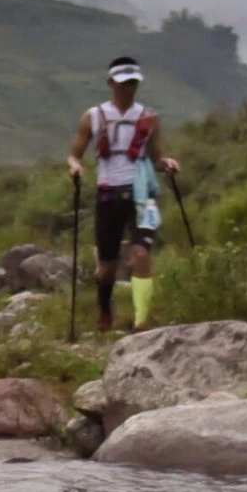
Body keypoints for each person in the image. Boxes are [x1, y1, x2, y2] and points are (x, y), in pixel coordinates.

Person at [67, 57, 180, 333]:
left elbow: (155, 157)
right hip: (108, 194)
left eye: (133, 83)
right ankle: (105, 311)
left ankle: (142, 321)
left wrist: (166, 163)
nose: (129, 89)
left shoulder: (148, 117)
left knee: (141, 253)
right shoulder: (92, 116)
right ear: (111, 84)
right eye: (123, 83)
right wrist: (76, 166)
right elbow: (74, 154)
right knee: (106, 267)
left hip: (142, 194)